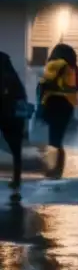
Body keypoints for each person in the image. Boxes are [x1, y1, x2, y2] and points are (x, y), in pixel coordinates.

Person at [38, 43, 78, 179]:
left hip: (54, 102)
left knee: (53, 140)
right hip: (68, 105)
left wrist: (41, 105)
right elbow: (77, 88)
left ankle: (51, 171)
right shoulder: (75, 68)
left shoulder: (56, 64)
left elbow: (45, 83)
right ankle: (58, 171)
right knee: (59, 139)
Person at [0, 51, 30, 196]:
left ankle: (17, 178)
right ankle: (17, 178)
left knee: (15, 148)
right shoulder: (14, 77)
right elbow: (22, 96)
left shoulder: (5, 77)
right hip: (14, 117)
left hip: (6, 114)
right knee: (16, 149)